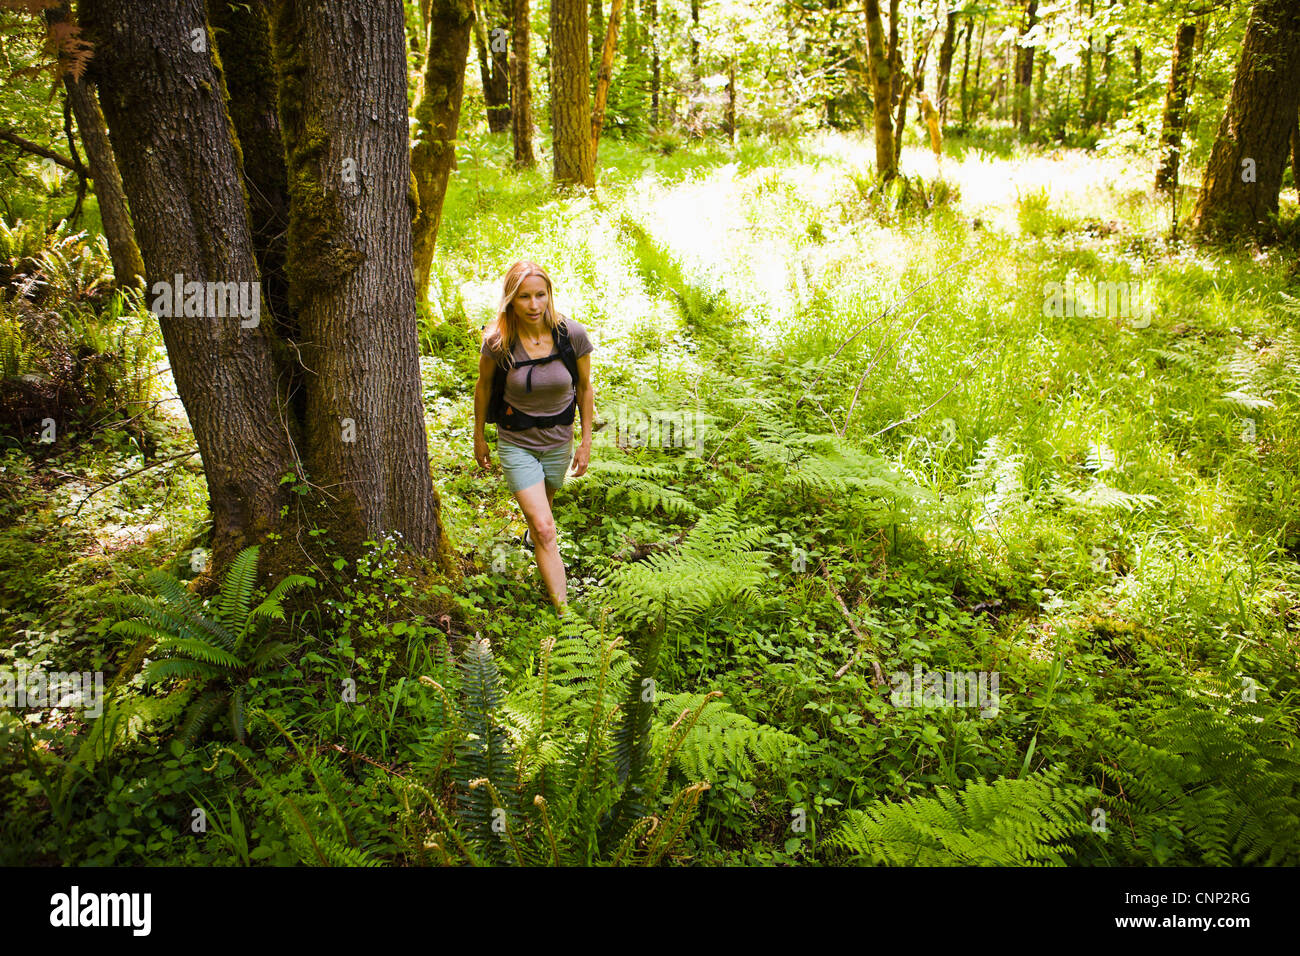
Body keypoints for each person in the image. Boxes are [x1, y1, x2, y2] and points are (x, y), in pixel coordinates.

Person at [474, 260, 594, 617]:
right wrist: (479, 436)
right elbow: (483, 388)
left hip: (560, 439)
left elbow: (585, 389)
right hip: (516, 441)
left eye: (540, 295)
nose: (533, 304)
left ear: (549, 295)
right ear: (510, 300)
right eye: (524, 296)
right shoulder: (498, 341)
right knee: (545, 527)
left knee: (548, 495)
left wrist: (586, 440)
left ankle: (535, 535)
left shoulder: (572, 335)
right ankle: (564, 614)